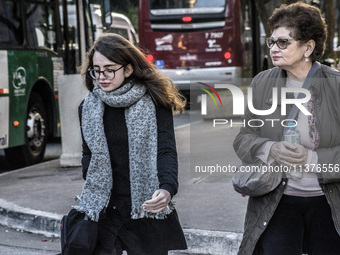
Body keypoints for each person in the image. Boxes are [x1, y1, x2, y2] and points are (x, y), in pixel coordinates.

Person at [233, 2, 340, 255]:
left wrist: (312, 159)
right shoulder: (262, 82)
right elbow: (243, 138)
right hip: (277, 200)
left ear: (308, 47)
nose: (274, 49)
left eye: (283, 42)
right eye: (272, 42)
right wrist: (271, 148)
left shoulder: (335, 86)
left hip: (329, 202)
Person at [75, 33, 187, 255]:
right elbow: (87, 154)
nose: (102, 77)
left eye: (109, 69)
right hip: (104, 210)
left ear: (128, 70)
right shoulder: (88, 108)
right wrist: (93, 177)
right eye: (96, 70)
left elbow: (165, 151)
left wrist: (166, 189)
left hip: (144, 209)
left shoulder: (155, 103)